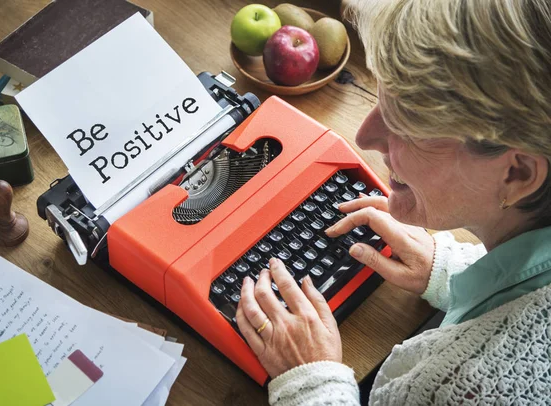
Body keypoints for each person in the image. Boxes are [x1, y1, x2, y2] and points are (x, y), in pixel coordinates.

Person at [236, 0, 551, 404]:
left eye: (408, 124)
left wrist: (311, 383)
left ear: (518, 173)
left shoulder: (465, 387)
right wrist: (453, 273)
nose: (365, 137)